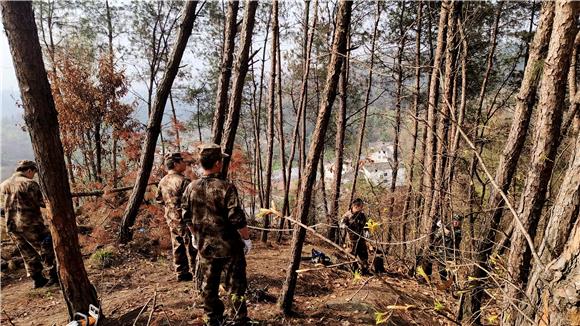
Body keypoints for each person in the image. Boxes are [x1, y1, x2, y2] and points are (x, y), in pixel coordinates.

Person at [181, 144, 252, 326]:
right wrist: (246, 239)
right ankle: (238, 320)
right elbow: (236, 218)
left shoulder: (191, 188)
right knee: (235, 286)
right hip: (229, 248)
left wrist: (195, 236)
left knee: (209, 286)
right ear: (218, 163)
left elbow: (185, 216)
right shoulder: (226, 187)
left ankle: (212, 319)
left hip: (205, 247)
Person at [0, 160, 58, 288]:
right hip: (31, 225)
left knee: (27, 253)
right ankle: (54, 277)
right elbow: (44, 202)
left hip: (12, 226)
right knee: (46, 248)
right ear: (29, 170)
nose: (34, 175)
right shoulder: (30, 184)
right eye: (34, 172)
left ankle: (37, 279)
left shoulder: (4, 185)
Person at [155, 152, 197, 282]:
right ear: (176, 164)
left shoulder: (163, 181)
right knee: (192, 244)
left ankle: (181, 272)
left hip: (171, 219)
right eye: (182, 161)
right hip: (185, 219)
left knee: (177, 244)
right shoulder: (183, 181)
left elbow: (158, 199)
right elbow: (192, 201)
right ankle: (196, 271)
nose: (185, 164)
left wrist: (170, 207)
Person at [340, 198, 370, 275]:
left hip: (361, 239)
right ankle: (355, 273)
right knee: (351, 256)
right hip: (351, 240)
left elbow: (366, 224)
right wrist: (343, 225)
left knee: (364, 256)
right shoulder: (347, 215)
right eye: (360, 206)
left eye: (361, 206)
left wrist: (367, 231)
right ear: (355, 206)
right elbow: (342, 223)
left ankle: (365, 271)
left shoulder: (362, 215)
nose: (361, 208)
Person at [433, 214, 462, 282]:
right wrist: (440, 229)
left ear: (460, 222)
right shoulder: (447, 227)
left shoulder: (458, 231)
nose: (455, 222)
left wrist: (443, 227)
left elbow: (451, 235)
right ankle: (444, 283)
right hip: (442, 252)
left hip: (452, 253)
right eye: (454, 220)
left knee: (452, 271)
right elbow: (436, 237)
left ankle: (453, 285)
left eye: (457, 221)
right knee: (441, 269)